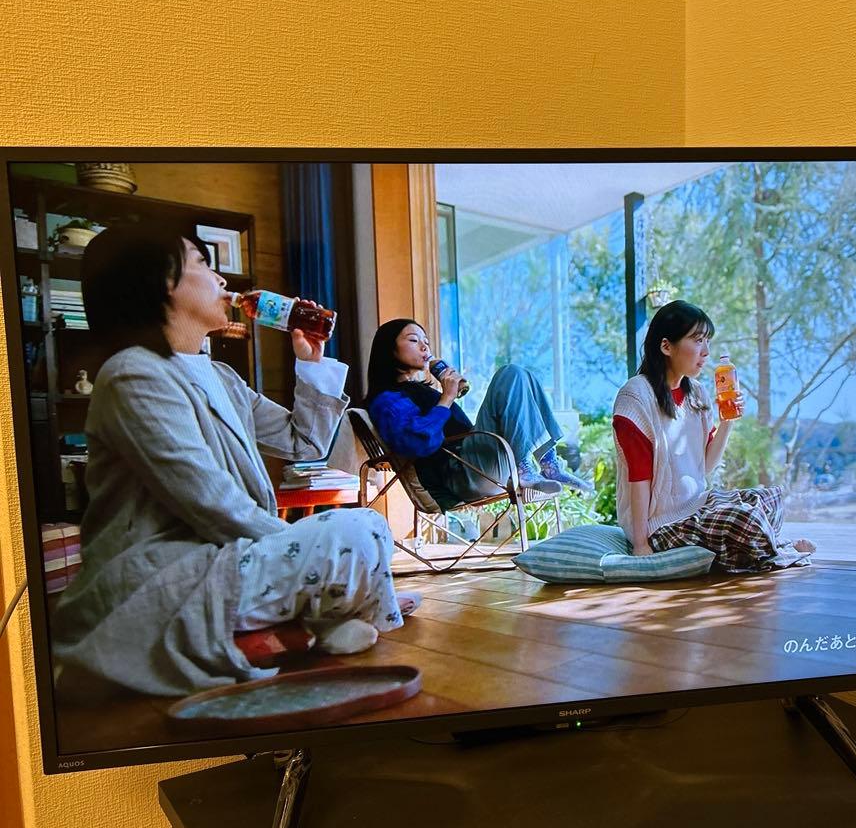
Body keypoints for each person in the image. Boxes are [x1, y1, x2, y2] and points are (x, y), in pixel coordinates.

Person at [52, 226, 411, 700]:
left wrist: (309, 363)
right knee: (357, 532)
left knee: (365, 531)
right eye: (202, 263)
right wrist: (303, 547)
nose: (221, 279)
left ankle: (297, 628)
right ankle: (317, 620)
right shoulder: (133, 374)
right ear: (159, 283)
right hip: (169, 573)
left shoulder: (222, 376)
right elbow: (210, 501)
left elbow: (303, 442)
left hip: (228, 554)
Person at [612, 300, 814, 569]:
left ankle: (771, 545)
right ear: (666, 346)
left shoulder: (697, 393)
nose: (706, 351)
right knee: (744, 521)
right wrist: (640, 544)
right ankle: (779, 549)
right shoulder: (636, 397)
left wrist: (727, 421)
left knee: (768, 497)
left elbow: (705, 467)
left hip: (696, 506)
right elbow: (639, 477)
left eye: (707, 341)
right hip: (660, 525)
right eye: (697, 340)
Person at [363, 319, 591, 510]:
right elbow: (419, 442)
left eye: (426, 341)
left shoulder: (420, 391)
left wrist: (447, 396)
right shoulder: (386, 400)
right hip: (461, 475)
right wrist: (447, 398)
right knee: (509, 374)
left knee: (523, 376)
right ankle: (525, 469)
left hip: (475, 464)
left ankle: (549, 466)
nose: (424, 347)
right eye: (414, 340)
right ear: (389, 349)